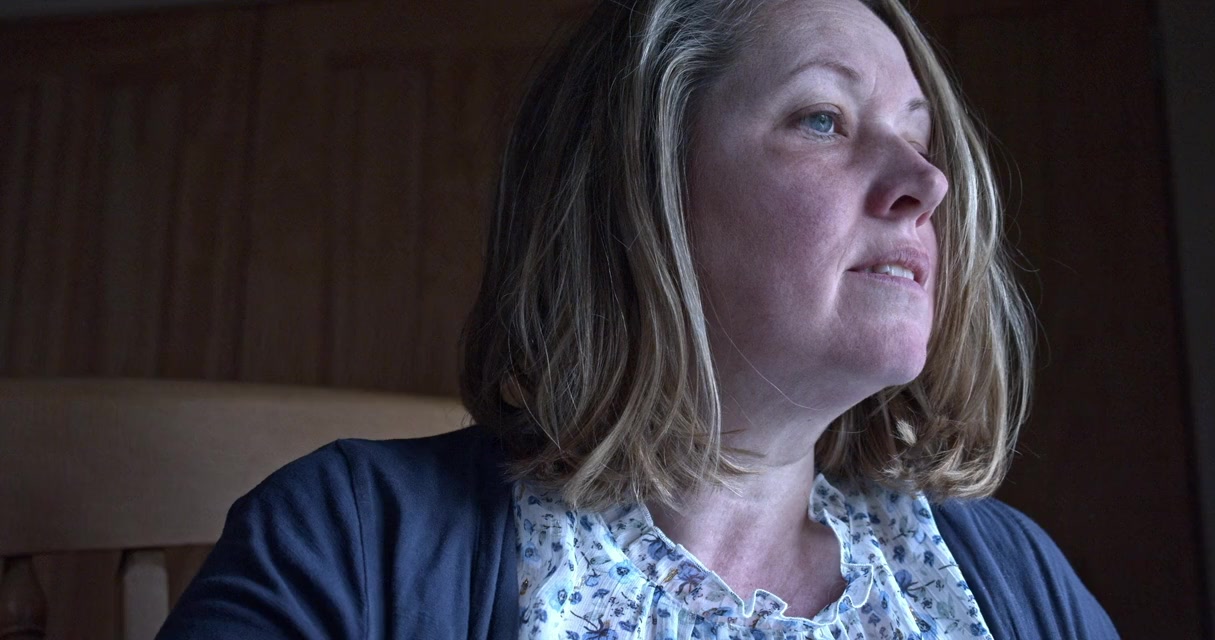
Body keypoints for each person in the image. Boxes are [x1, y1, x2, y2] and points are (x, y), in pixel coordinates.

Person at [158, 0, 1119, 637]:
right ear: (637, 189)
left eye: (919, 137)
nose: (927, 182)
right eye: (823, 118)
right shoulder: (348, 544)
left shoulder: (1010, 578)